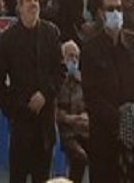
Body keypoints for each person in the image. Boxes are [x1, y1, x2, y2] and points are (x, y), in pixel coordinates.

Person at [0, 0, 63, 182]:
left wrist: (45, 94)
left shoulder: (51, 33)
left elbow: (60, 72)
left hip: (45, 124)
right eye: (29, 0)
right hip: (21, 124)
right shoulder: (8, 39)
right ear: (19, 6)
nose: (34, 4)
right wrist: (14, 109)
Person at [81, 0, 134, 182]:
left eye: (118, 8)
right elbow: (91, 96)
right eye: (110, 9)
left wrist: (133, 112)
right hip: (104, 136)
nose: (116, 13)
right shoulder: (90, 49)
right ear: (100, 13)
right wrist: (119, 117)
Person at [54, 41, 88, 183]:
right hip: (66, 132)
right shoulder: (57, 82)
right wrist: (69, 119)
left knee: (104, 150)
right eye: (70, 56)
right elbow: (54, 112)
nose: (73, 60)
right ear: (62, 59)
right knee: (80, 157)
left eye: (76, 57)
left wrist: (87, 116)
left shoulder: (85, 81)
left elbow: (93, 104)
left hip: (85, 129)